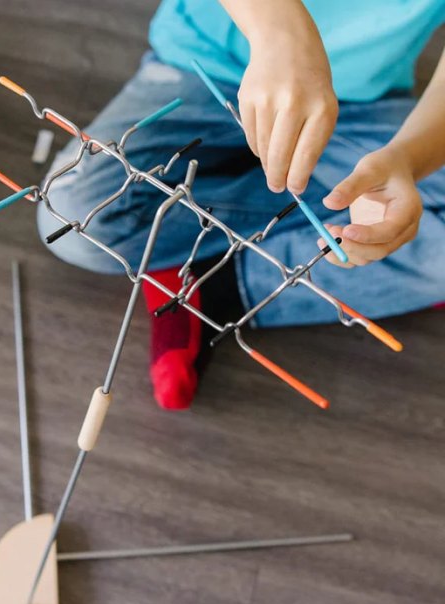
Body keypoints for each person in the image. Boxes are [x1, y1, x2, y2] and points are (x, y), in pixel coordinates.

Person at [38, 0, 445, 409]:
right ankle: (221, 236)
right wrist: (281, 35)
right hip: (204, 64)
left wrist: (408, 161)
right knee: (78, 215)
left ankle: (215, 283)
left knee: (400, 216)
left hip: (359, 102)